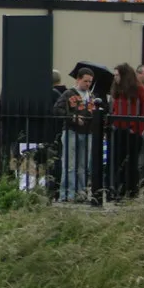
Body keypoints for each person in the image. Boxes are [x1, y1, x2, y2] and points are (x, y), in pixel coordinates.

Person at [54, 68, 99, 202]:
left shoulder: (91, 96)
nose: (88, 84)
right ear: (78, 79)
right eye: (85, 81)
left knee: (83, 166)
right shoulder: (68, 93)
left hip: (87, 133)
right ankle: (67, 194)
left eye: (90, 81)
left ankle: (81, 193)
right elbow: (57, 109)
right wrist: (73, 117)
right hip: (71, 132)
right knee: (70, 165)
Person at [107, 62, 144, 200]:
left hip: (133, 131)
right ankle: (116, 190)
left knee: (131, 163)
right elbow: (114, 109)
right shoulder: (117, 90)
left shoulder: (139, 89)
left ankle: (131, 191)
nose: (115, 78)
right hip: (118, 129)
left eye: (117, 75)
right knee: (116, 161)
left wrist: (138, 129)